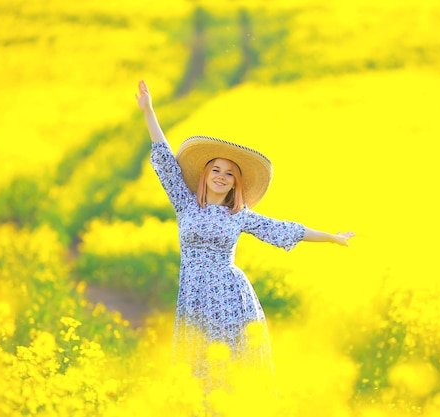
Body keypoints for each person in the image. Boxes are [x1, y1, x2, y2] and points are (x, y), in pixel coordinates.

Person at [135, 79, 355, 397]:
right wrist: (149, 111)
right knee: (198, 360)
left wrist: (332, 237)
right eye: (217, 170)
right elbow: (166, 163)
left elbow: (283, 229)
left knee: (227, 361)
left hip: (229, 294)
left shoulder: (238, 215)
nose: (222, 177)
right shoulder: (185, 203)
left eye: (229, 175)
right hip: (195, 292)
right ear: (205, 174)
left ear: (235, 184)